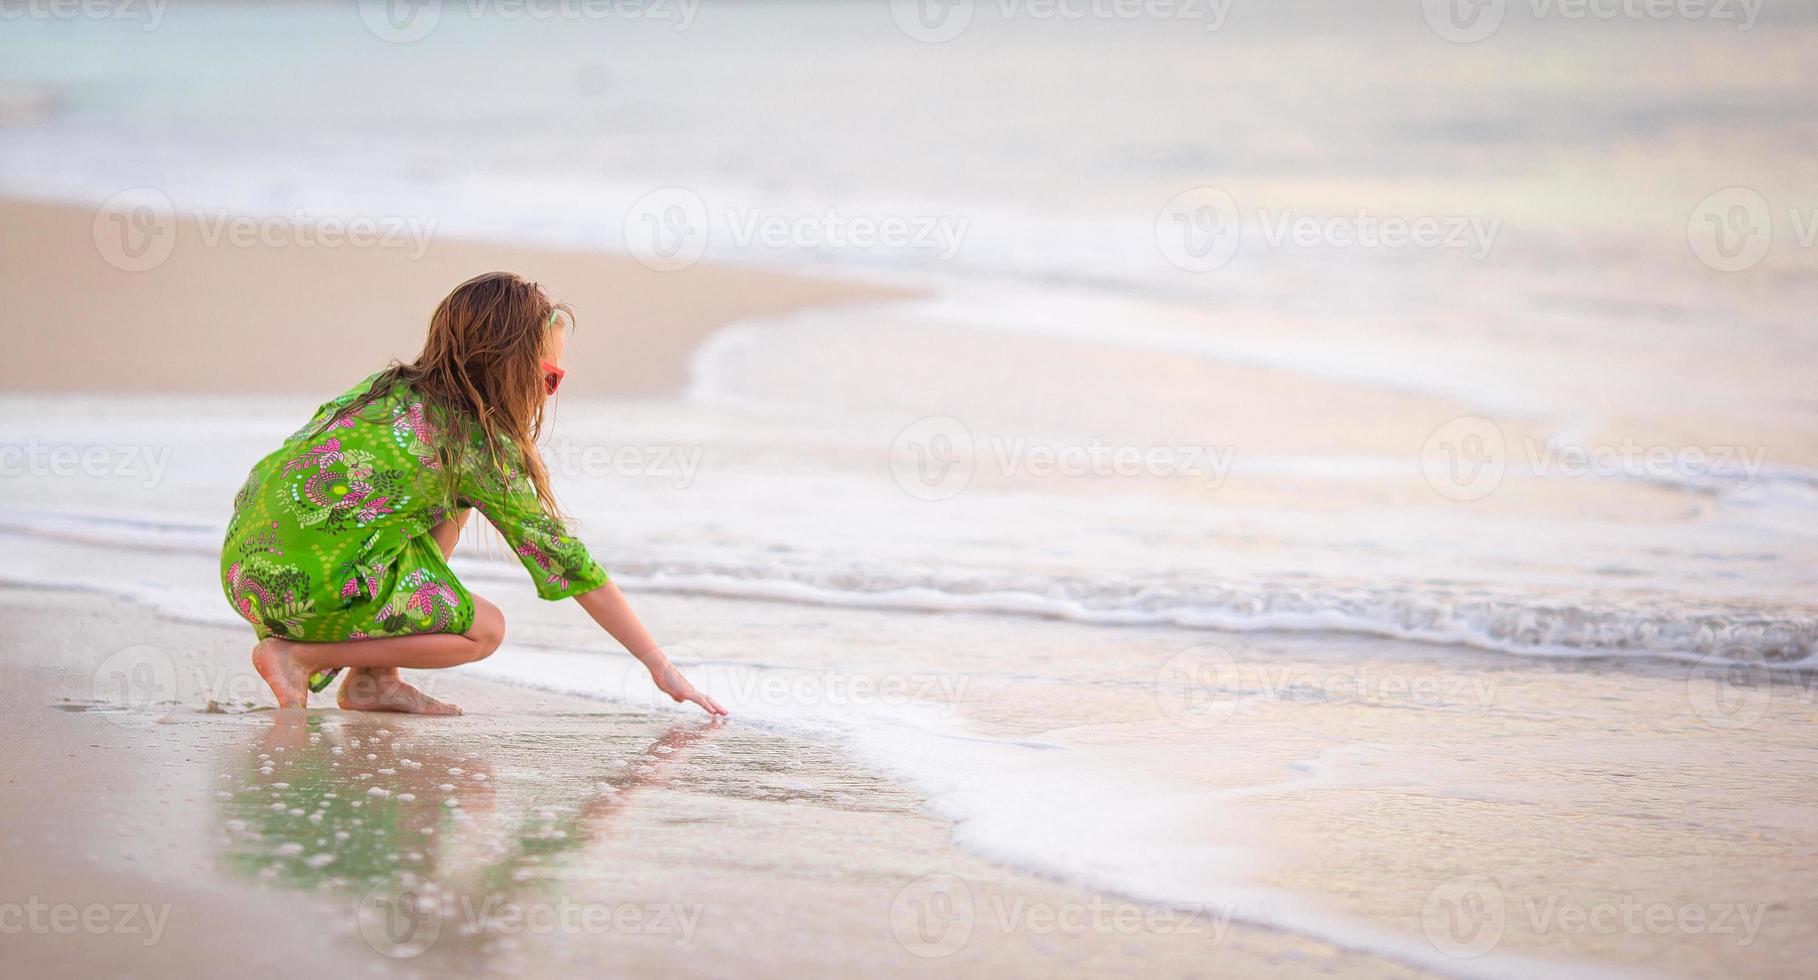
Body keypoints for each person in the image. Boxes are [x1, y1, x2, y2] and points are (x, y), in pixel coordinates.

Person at [220, 271, 726, 717]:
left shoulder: (385, 388)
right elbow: (568, 562)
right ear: (509, 366)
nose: (549, 393)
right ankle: (300, 657)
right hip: (308, 586)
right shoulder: (474, 446)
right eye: (549, 378)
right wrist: (658, 664)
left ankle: (375, 679)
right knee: (486, 630)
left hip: (245, 570)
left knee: (444, 504)